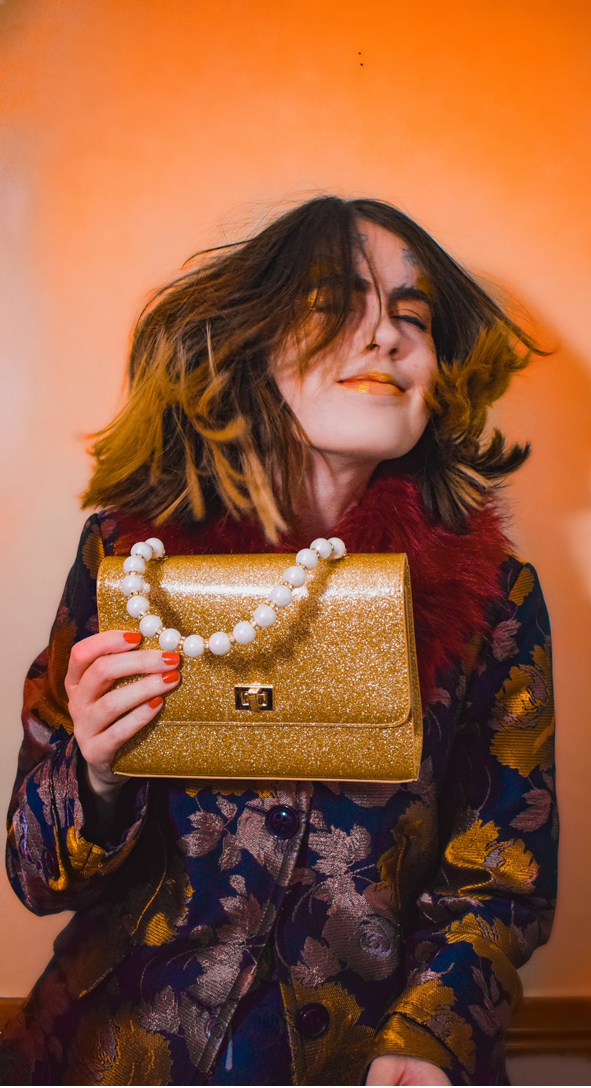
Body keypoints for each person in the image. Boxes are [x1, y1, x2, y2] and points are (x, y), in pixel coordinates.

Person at [1, 197, 557, 1086]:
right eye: (337, 306)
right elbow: (34, 876)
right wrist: (95, 774)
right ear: (251, 348)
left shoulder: (495, 596)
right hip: (108, 1054)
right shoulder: (129, 560)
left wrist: (429, 1036)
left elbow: (501, 877)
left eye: (413, 317)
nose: (385, 336)